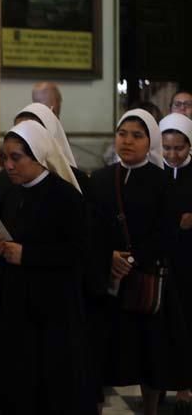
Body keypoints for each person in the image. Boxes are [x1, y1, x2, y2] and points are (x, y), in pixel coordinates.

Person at [87, 109, 192, 415]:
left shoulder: (160, 181)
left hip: (146, 277)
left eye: (137, 135)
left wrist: (131, 258)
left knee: (151, 351)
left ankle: (150, 408)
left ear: (150, 141)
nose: (127, 141)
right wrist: (108, 257)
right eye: (122, 134)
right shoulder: (101, 179)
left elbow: (167, 231)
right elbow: (91, 227)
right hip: (109, 277)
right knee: (105, 350)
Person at [0, 120, 94, 415]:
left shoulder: (66, 196)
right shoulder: (8, 192)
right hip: (11, 302)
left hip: (52, 309)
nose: (8, 165)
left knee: (50, 389)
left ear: (38, 155)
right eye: (4, 158)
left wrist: (29, 255)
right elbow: (1, 242)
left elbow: (78, 252)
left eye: (16, 157)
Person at [160, 112, 192, 414]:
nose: (172, 154)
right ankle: (160, 384)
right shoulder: (155, 172)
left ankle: (184, 385)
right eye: (167, 148)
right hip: (164, 262)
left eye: (178, 148)